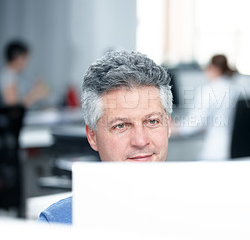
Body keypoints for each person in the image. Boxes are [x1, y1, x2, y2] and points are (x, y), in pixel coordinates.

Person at [38, 51, 173, 224]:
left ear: (168, 125)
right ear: (92, 136)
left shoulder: (208, 211)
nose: (140, 141)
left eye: (152, 121)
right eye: (121, 126)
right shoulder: (57, 225)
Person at [174, 54, 238, 160]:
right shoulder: (235, 88)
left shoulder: (209, 90)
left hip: (215, 151)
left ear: (213, 69)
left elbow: (194, 124)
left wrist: (175, 128)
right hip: (235, 150)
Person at [0, 40, 48, 106]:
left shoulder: (16, 75)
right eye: (25, 58)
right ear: (17, 58)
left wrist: (35, 89)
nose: (27, 62)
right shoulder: (8, 77)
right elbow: (13, 106)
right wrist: (35, 94)